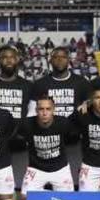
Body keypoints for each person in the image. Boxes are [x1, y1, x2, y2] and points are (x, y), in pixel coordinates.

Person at [32, 45, 90, 185]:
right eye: (56, 57)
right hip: (49, 140)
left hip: (75, 140)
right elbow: (33, 111)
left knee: (75, 182)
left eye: (63, 57)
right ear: (50, 60)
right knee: (48, 183)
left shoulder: (81, 82)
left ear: (69, 60)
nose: (59, 60)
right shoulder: (40, 84)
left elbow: (89, 106)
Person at [0, 45, 33, 200]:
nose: (8, 60)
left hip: (21, 145)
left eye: (12, 57)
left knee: (22, 191)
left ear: (17, 60)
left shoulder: (28, 86)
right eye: (5, 57)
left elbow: (33, 114)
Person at [17, 95, 76, 197]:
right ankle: (52, 196)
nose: (44, 113)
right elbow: (17, 137)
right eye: (41, 109)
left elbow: (72, 137)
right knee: (25, 196)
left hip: (60, 168)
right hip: (36, 168)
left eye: (48, 109)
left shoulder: (63, 123)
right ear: (36, 110)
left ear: (53, 110)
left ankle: (52, 196)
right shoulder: (26, 124)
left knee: (68, 199)